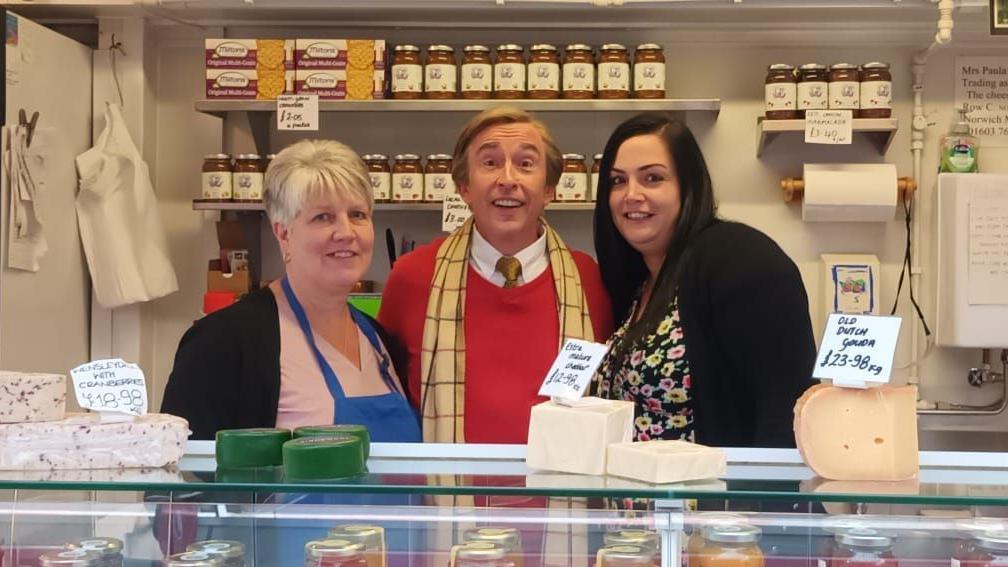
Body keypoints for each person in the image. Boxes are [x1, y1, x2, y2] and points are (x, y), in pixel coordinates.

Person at [378, 106, 614, 444]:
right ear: (464, 187)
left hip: (563, 494)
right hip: (444, 494)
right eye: (489, 163)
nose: (507, 179)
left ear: (549, 189)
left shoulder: (589, 280)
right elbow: (391, 399)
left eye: (526, 164)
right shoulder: (413, 277)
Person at [162, 139, 420, 443]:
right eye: (322, 217)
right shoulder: (225, 341)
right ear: (283, 233)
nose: (346, 232)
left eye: (358, 215)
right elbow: (185, 476)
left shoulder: (379, 340)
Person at [592, 112, 815, 448]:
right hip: (642, 495)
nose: (631, 194)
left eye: (652, 178)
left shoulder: (737, 257)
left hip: (709, 497)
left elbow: (786, 410)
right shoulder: (641, 285)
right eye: (617, 181)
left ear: (688, 185)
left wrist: (761, 498)